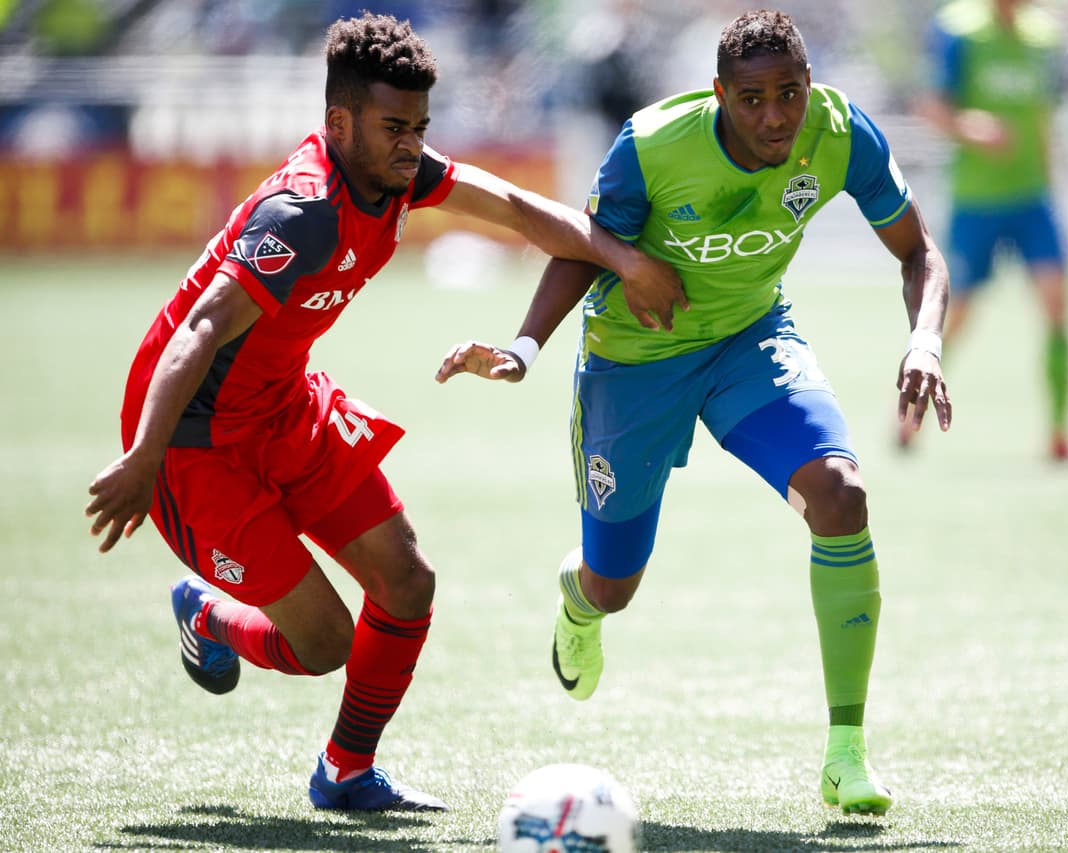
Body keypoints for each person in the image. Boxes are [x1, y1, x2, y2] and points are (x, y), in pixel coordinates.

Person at [83, 12, 683, 813]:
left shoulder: (401, 173)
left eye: (421, 125)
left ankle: (345, 771)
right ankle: (212, 618)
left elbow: (510, 205)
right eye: (395, 126)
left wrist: (622, 258)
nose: (413, 143)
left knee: (407, 580)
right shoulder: (301, 213)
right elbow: (197, 330)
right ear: (339, 123)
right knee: (325, 640)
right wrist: (145, 458)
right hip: (189, 443)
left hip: (281, 406)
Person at [436, 9, 951, 817]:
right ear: (719, 95)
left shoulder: (841, 132)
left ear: (809, 85)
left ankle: (846, 751)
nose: (775, 115)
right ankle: (578, 596)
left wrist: (924, 339)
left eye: (789, 93)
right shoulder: (651, 145)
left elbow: (917, 250)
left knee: (842, 495)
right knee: (615, 586)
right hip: (635, 361)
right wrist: (525, 348)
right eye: (752, 99)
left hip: (751, 339)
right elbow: (583, 244)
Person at [908, 0, 1068, 461]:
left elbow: (1045, 115)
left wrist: (1053, 180)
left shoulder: (1045, 36)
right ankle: (909, 415)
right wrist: (970, 127)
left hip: (1033, 198)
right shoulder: (957, 29)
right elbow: (929, 105)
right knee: (957, 313)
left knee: (1058, 305)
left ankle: (1060, 436)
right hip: (977, 200)